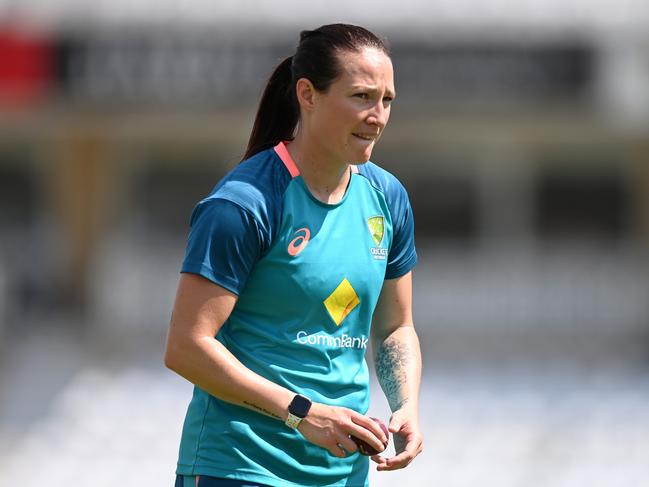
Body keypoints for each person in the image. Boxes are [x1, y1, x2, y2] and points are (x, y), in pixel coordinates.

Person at [164, 23, 423, 487]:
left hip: (342, 473)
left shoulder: (387, 199)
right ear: (308, 94)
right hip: (240, 466)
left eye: (387, 101)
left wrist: (406, 405)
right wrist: (302, 413)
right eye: (362, 97)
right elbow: (187, 347)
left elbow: (394, 327)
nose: (378, 116)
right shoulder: (245, 203)